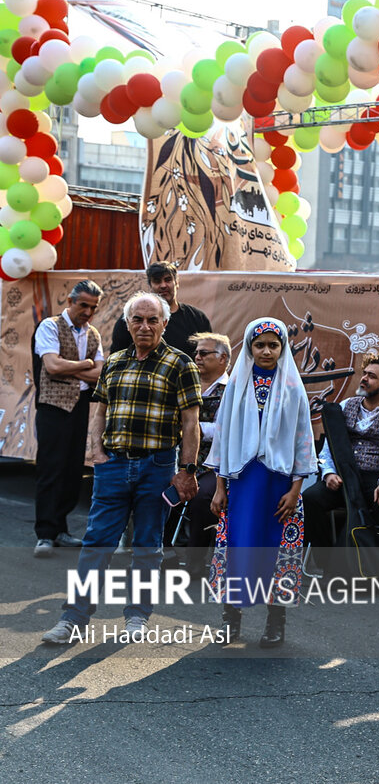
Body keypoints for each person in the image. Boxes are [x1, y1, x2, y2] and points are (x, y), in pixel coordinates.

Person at [40, 292, 202, 645]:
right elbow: (99, 411)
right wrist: (96, 451)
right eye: (137, 320)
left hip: (157, 466)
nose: (144, 326)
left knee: (147, 545)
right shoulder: (113, 362)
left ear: (164, 323)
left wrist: (187, 469)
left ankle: (136, 617)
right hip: (112, 465)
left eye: (152, 320)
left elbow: (191, 424)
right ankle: (73, 619)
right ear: (127, 324)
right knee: (97, 542)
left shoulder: (181, 364)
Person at [206, 318, 317, 648]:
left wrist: (296, 490)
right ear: (250, 348)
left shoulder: (293, 388)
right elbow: (224, 438)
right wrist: (220, 487)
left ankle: (275, 622)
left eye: (273, 344)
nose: (266, 351)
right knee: (237, 549)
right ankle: (231, 620)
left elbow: (302, 440)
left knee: (278, 551)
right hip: (241, 483)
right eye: (259, 345)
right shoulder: (237, 386)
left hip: (279, 486)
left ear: (283, 347)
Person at [302, 355, 379, 572]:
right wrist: (328, 473)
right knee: (310, 499)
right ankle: (327, 563)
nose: (364, 379)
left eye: (371, 376)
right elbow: (329, 446)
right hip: (342, 475)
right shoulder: (345, 406)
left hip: (375, 478)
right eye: (364, 374)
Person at [32, 279, 105, 558]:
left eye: (93, 307)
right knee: (51, 469)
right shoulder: (50, 326)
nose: (88, 311)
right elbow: (51, 365)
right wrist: (85, 364)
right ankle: (46, 534)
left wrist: (70, 368)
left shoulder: (93, 333)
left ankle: (60, 528)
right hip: (53, 407)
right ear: (70, 302)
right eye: (83, 305)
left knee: (73, 469)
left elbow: (99, 374)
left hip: (78, 408)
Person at [171, 332, 231, 583]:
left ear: (223, 359)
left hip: (214, 465)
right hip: (179, 458)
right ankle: (163, 555)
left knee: (201, 497)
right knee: (158, 490)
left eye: (204, 353)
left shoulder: (233, 391)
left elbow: (226, 432)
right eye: (196, 353)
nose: (197, 357)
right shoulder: (187, 382)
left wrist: (189, 427)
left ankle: (195, 562)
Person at [110, 261, 211, 359]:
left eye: (168, 280)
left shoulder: (197, 318)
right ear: (150, 286)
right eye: (157, 281)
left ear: (177, 283)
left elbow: (208, 354)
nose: (163, 285)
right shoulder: (131, 320)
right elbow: (117, 358)